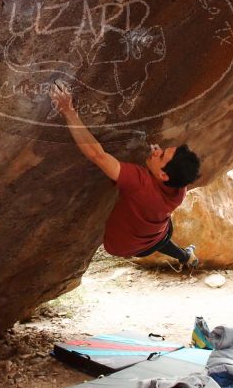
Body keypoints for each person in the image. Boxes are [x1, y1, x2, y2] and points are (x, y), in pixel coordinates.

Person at [50, 83, 201, 268]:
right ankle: (186, 257)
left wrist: (68, 111)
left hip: (122, 246)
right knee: (161, 241)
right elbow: (164, 176)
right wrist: (157, 160)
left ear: (163, 175)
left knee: (158, 241)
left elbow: (97, 155)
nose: (157, 151)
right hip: (157, 235)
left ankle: (185, 256)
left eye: (161, 156)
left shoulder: (139, 182)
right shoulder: (179, 187)